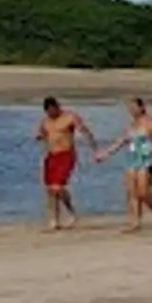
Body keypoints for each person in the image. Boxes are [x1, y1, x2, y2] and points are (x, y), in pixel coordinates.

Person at [33, 96, 102, 230]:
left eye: (52, 110)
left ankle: (71, 212)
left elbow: (85, 131)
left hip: (66, 155)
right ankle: (54, 219)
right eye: (48, 112)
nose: (50, 114)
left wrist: (95, 149)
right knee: (50, 190)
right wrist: (40, 137)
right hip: (51, 156)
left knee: (57, 187)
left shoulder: (69, 117)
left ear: (56, 107)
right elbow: (43, 134)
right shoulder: (45, 121)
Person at [115, 97, 152, 232]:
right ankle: (135, 222)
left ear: (142, 107)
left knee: (143, 192)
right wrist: (104, 154)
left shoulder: (150, 122)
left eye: (134, 107)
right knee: (132, 192)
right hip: (132, 160)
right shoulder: (131, 126)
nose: (132, 110)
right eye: (130, 108)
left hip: (146, 159)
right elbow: (120, 141)